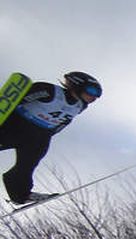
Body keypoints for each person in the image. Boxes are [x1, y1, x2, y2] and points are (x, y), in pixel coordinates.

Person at [0, 71, 102, 205]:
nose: (94, 97)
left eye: (98, 95)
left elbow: (64, 121)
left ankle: (21, 195)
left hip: (39, 136)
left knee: (27, 166)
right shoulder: (49, 91)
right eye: (92, 90)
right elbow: (18, 99)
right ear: (78, 84)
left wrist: (50, 134)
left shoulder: (81, 106)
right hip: (16, 126)